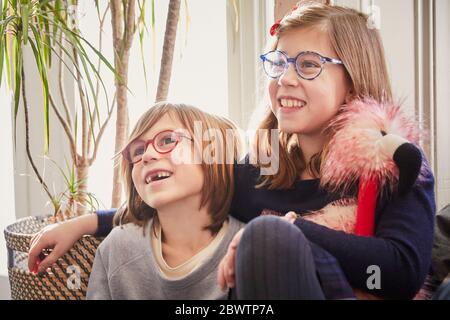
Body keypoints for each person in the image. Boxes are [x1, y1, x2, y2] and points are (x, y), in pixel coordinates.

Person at [29, 3, 436, 300]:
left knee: (266, 237)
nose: (286, 79)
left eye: (308, 64)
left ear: (354, 77)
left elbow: (399, 274)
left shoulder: (395, 163)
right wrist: (84, 224)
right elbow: (189, 199)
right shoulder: (257, 172)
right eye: (277, 63)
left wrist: (291, 231)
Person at [86, 102, 244, 299]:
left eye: (168, 140)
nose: (148, 156)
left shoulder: (249, 247)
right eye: (138, 150)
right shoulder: (117, 248)